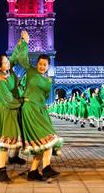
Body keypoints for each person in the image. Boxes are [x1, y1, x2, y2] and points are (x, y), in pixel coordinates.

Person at [18, 31, 63, 182]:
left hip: (40, 110)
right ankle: (46, 168)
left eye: (45, 65)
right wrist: (25, 42)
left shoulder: (48, 81)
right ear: (36, 64)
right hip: (30, 109)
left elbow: (44, 98)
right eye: (40, 64)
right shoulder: (30, 71)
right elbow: (22, 58)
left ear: (48, 66)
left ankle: (32, 172)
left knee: (42, 142)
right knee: (49, 139)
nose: (42, 66)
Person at [0, 30, 29, 183]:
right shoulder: (0, 79)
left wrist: (23, 41)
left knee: (18, 133)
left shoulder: (9, 69)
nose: (8, 62)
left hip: (14, 106)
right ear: (0, 67)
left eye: (7, 61)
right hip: (6, 109)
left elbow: (16, 55)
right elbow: (8, 99)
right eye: (5, 62)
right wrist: (23, 102)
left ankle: (14, 157)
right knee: (5, 140)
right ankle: (1, 170)